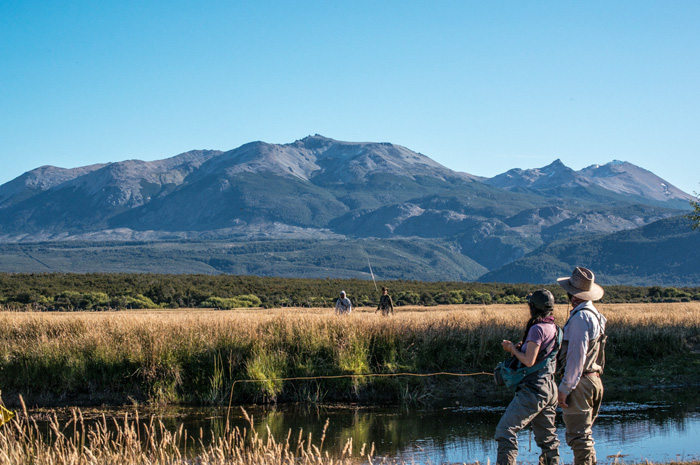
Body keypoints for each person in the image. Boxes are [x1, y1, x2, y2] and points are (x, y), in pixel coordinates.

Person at [495, 289, 561, 465]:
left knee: (505, 430)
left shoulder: (537, 329)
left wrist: (512, 349)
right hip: (550, 389)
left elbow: (529, 361)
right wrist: (521, 347)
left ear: (533, 307)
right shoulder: (554, 328)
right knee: (548, 439)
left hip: (534, 390)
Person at [556, 267, 607, 465]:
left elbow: (576, 357)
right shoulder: (596, 315)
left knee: (579, 437)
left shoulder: (580, 318)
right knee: (585, 436)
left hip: (580, 383)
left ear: (571, 293)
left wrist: (564, 388)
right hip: (594, 380)